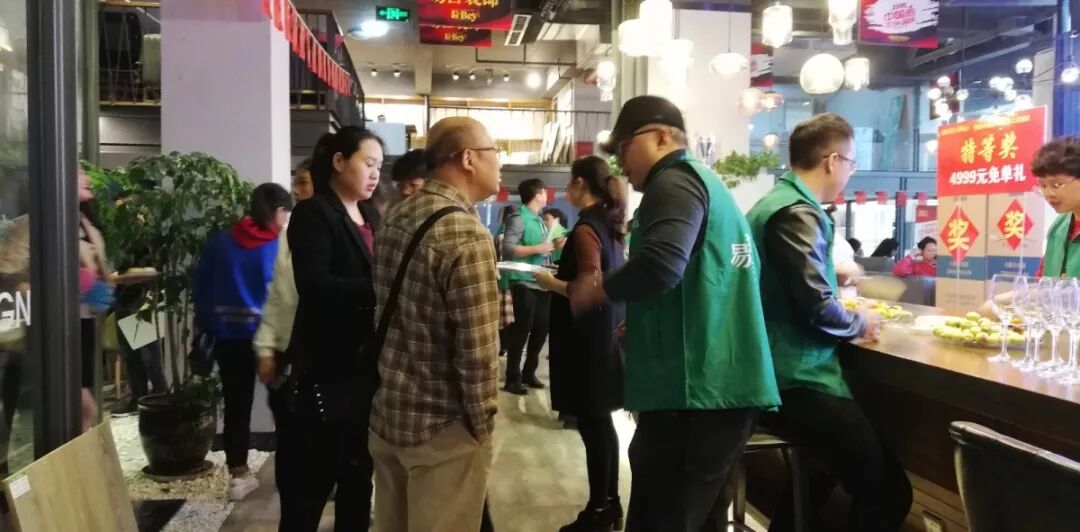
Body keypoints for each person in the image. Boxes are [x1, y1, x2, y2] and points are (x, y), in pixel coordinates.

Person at [569, 95, 781, 531]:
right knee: (700, 521)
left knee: (660, 520)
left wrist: (597, 291)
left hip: (694, 395)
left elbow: (662, 265)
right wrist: (645, 321)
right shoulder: (705, 182)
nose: (620, 162)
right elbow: (698, 282)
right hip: (718, 388)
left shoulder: (674, 181)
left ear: (662, 137)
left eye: (625, 146)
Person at [745, 113, 912, 532]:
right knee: (888, 493)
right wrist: (859, 322)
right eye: (852, 163)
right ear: (832, 160)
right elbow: (817, 308)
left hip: (769, 373)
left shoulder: (773, 203)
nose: (850, 173)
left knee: (819, 473)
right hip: (796, 378)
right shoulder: (797, 213)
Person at [369, 116, 502, 532]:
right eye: (495, 152)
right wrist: (482, 429)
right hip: (442, 431)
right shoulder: (466, 234)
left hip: (390, 413)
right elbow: (478, 356)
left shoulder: (398, 214)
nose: (500, 163)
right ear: (468, 159)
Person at [280, 126, 384, 531]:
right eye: (368, 163)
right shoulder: (315, 212)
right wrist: (379, 289)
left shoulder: (370, 216)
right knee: (312, 481)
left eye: (379, 166)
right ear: (339, 161)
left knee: (357, 478)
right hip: (326, 363)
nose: (374, 174)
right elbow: (313, 284)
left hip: (363, 367)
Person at [534, 156, 627, 531]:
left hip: (587, 338)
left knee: (593, 426)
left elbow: (588, 284)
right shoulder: (609, 224)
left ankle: (598, 511)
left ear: (578, 184)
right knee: (601, 423)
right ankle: (610, 504)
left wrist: (549, 282)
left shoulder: (587, 227)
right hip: (605, 333)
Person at [193, 182, 293, 501]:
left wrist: (213, 326)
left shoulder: (221, 241)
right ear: (278, 210)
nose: (286, 220)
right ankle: (289, 475)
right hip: (271, 342)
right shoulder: (279, 246)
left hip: (229, 339)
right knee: (284, 407)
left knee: (237, 406)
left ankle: (238, 476)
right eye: (286, 213)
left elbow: (201, 289)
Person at [252, 158, 316, 426]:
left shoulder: (351, 232)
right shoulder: (286, 238)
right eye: (295, 183)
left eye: (303, 183)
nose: (296, 192)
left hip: (327, 358)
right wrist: (266, 348)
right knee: (288, 427)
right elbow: (273, 297)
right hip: (287, 354)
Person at [501, 178, 554, 395]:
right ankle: (512, 378)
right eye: (544, 192)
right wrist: (537, 248)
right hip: (522, 280)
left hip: (541, 280)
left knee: (541, 329)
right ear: (537, 194)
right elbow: (508, 248)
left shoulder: (538, 219)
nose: (546, 195)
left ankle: (529, 372)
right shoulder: (519, 218)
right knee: (521, 331)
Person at [78, 170, 115, 432]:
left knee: (84, 407)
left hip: (85, 320)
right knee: (86, 407)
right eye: (79, 173)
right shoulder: (45, 222)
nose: (87, 178)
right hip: (60, 326)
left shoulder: (85, 223)